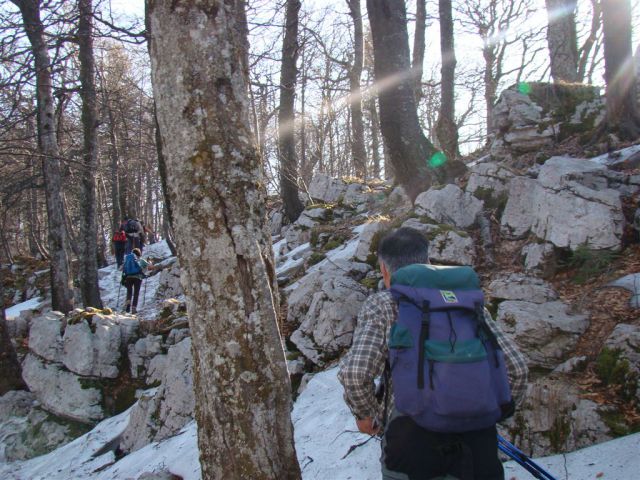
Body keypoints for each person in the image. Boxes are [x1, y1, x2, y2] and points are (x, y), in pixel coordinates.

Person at [338, 227, 528, 480]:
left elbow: (354, 374)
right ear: (428, 262)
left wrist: (369, 416)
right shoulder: (467, 302)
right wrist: (487, 412)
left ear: (384, 269)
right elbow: (517, 369)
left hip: (411, 445)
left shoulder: (384, 303)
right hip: (477, 449)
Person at [121, 248, 152, 314]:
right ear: (139, 253)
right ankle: (134, 308)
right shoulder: (141, 260)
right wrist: (149, 262)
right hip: (138, 277)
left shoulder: (128, 259)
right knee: (136, 293)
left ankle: (128, 303)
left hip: (128, 277)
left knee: (129, 292)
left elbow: (123, 268)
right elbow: (150, 267)